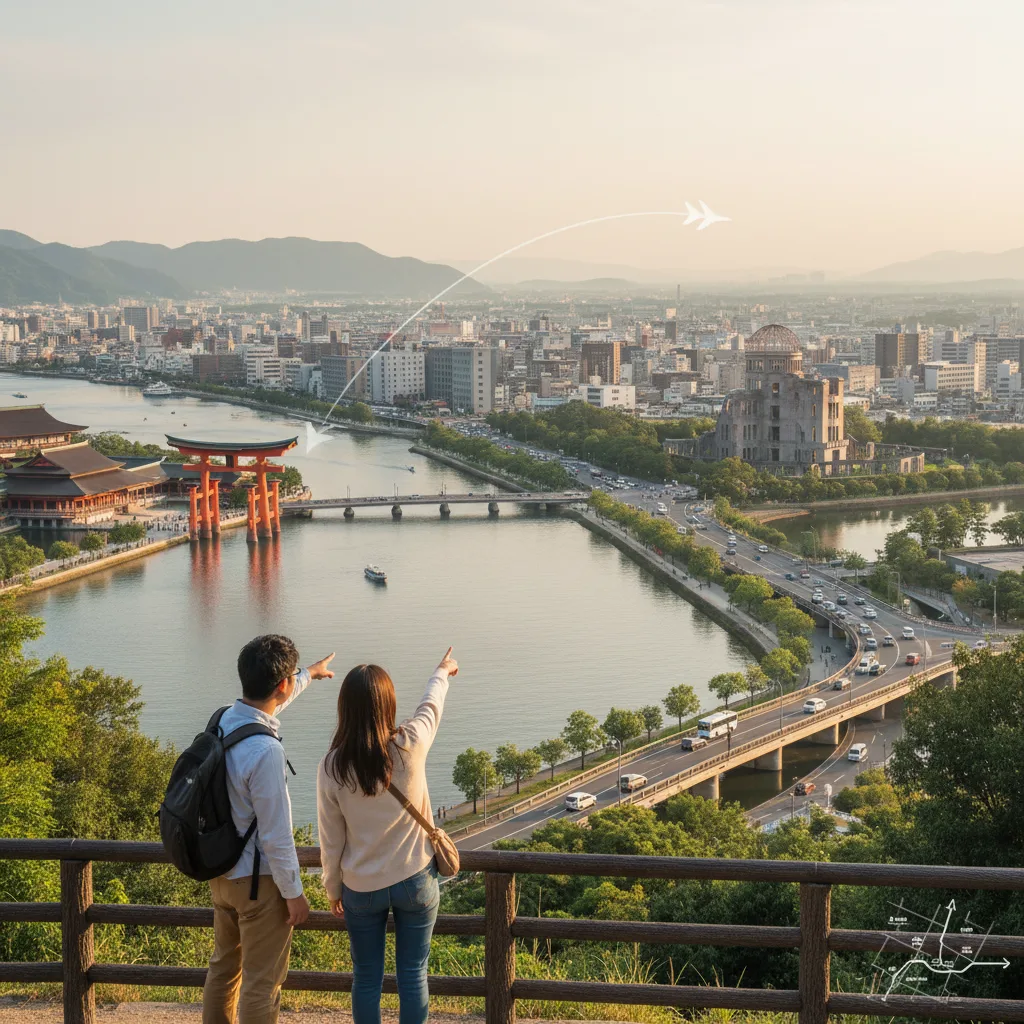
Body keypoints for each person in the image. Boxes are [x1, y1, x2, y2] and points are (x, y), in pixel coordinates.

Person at [317, 647, 459, 1024]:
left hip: (361, 887)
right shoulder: (409, 744)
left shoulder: (332, 767)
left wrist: (333, 888)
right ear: (389, 704)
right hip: (415, 878)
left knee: (366, 978)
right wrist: (442, 671)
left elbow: (331, 839)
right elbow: (431, 706)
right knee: (413, 975)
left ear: (345, 708)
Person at [203, 635, 336, 1024]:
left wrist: (309, 674)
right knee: (262, 984)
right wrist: (294, 894)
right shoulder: (266, 752)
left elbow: (270, 705)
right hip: (258, 885)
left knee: (223, 970)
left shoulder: (223, 719)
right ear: (282, 684)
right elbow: (276, 836)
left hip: (221, 874)